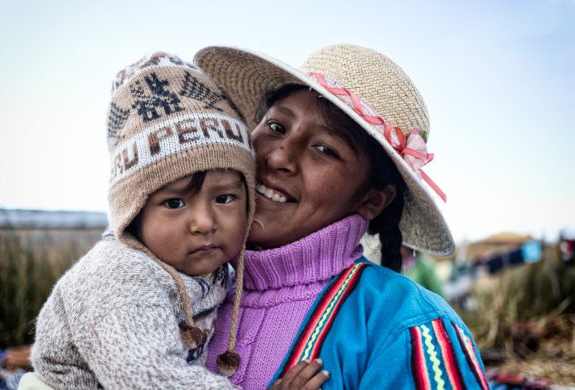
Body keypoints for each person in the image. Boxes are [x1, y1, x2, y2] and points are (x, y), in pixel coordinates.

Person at [194, 44, 490, 389]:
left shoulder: (408, 328)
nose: (277, 157)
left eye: (324, 149)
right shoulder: (187, 294)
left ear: (373, 199)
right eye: (276, 126)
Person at [25, 52, 327, 390]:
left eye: (224, 198)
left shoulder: (209, 270)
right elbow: (146, 378)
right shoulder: (118, 276)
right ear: (134, 212)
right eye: (174, 202)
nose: (203, 222)